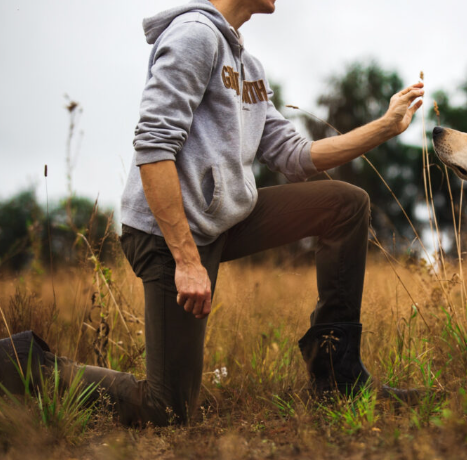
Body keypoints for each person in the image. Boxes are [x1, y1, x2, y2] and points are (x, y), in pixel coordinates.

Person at [0, 0, 424, 426]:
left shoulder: (249, 67)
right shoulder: (194, 36)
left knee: (345, 205)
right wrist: (186, 261)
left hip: (224, 221)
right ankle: (18, 362)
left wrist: (384, 127)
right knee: (167, 409)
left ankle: (337, 375)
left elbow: (294, 156)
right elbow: (153, 147)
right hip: (168, 234)